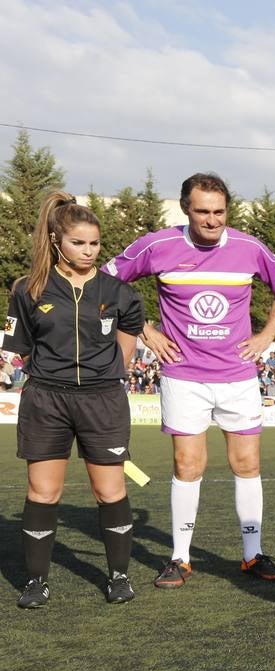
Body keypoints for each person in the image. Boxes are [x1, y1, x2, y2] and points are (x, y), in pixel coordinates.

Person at [105, 172, 275, 587]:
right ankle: (179, 558)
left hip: (238, 374)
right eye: (203, 211)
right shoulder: (158, 245)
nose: (212, 220)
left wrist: (266, 335)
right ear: (185, 209)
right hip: (184, 375)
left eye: (219, 212)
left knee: (247, 464)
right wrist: (146, 331)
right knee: (187, 465)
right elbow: (107, 281)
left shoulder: (249, 248)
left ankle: (252, 554)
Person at [4, 192, 145, 608]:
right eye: (79, 243)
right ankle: (36, 582)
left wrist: (103, 378)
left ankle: (119, 575)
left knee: (109, 491)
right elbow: (22, 347)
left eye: (95, 243)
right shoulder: (27, 289)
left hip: (102, 401)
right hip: (46, 400)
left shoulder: (119, 292)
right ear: (55, 242)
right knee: (43, 493)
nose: (89, 251)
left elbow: (127, 343)